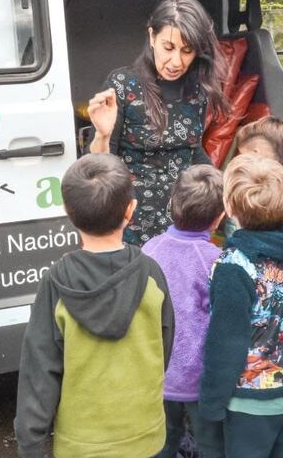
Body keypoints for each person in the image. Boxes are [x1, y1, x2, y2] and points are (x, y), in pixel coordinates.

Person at [14, 154, 175, 458]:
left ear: (67, 211)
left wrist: (30, 446)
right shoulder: (151, 273)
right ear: (131, 209)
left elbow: (39, 371)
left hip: (82, 445)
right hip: (146, 436)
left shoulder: (56, 283)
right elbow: (164, 346)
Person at [87, 0, 229, 246]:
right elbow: (98, 170)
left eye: (187, 51)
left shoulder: (197, 89)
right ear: (152, 37)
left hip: (185, 222)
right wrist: (102, 135)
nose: (176, 62)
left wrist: (227, 188)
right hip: (132, 223)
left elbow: (192, 150)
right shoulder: (122, 85)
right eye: (168, 48)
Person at [198, 154, 283, 458]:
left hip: (249, 398)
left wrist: (212, 401)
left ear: (230, 208)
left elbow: (226, 339)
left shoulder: (233, 266)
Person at [143, 165, 226, 458]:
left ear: (172, 204)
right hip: (199, 377)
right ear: (219, 217)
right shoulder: (215, 260)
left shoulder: (150, 249)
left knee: (164, 439)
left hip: (158, 371)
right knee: (210, 443)